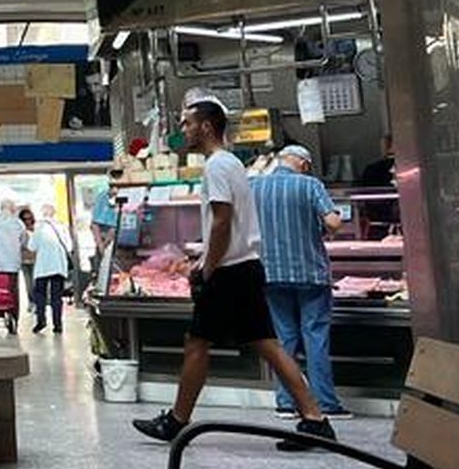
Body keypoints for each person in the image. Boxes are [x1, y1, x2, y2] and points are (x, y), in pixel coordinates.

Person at [134, 99, 334, 450]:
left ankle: (177, 421)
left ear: (206, 127)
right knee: (267, 345)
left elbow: (223, 220)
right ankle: (315, 418)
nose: (183, 131)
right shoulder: (231, 164)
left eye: (187, 124)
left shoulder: (217, 167)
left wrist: (207, 268)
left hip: (228, 271)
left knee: (198, 343)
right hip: (244, 267)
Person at [254, 143, 348, 419]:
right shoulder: (310, 185)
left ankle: (286, 402)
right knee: (315, 335)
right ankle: (325, 403)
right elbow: (333, 223)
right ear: (304, 164)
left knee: (283, 339)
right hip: (310, 274)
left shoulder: (255, 187)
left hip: (270, 273)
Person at [0, 198, 24, 336]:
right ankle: (13, 319)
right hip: (13, 264)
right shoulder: (18, 223)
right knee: (12, 292)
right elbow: (23, 241)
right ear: (12, 208)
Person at [29, 207, 71, 335]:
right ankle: (57, 324)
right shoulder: (61, 226)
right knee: (56, 297)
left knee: (40, 294)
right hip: (58, 266)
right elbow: (69, 246)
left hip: (43, 266)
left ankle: (41, 321)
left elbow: (32, 246)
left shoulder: (39, 227)